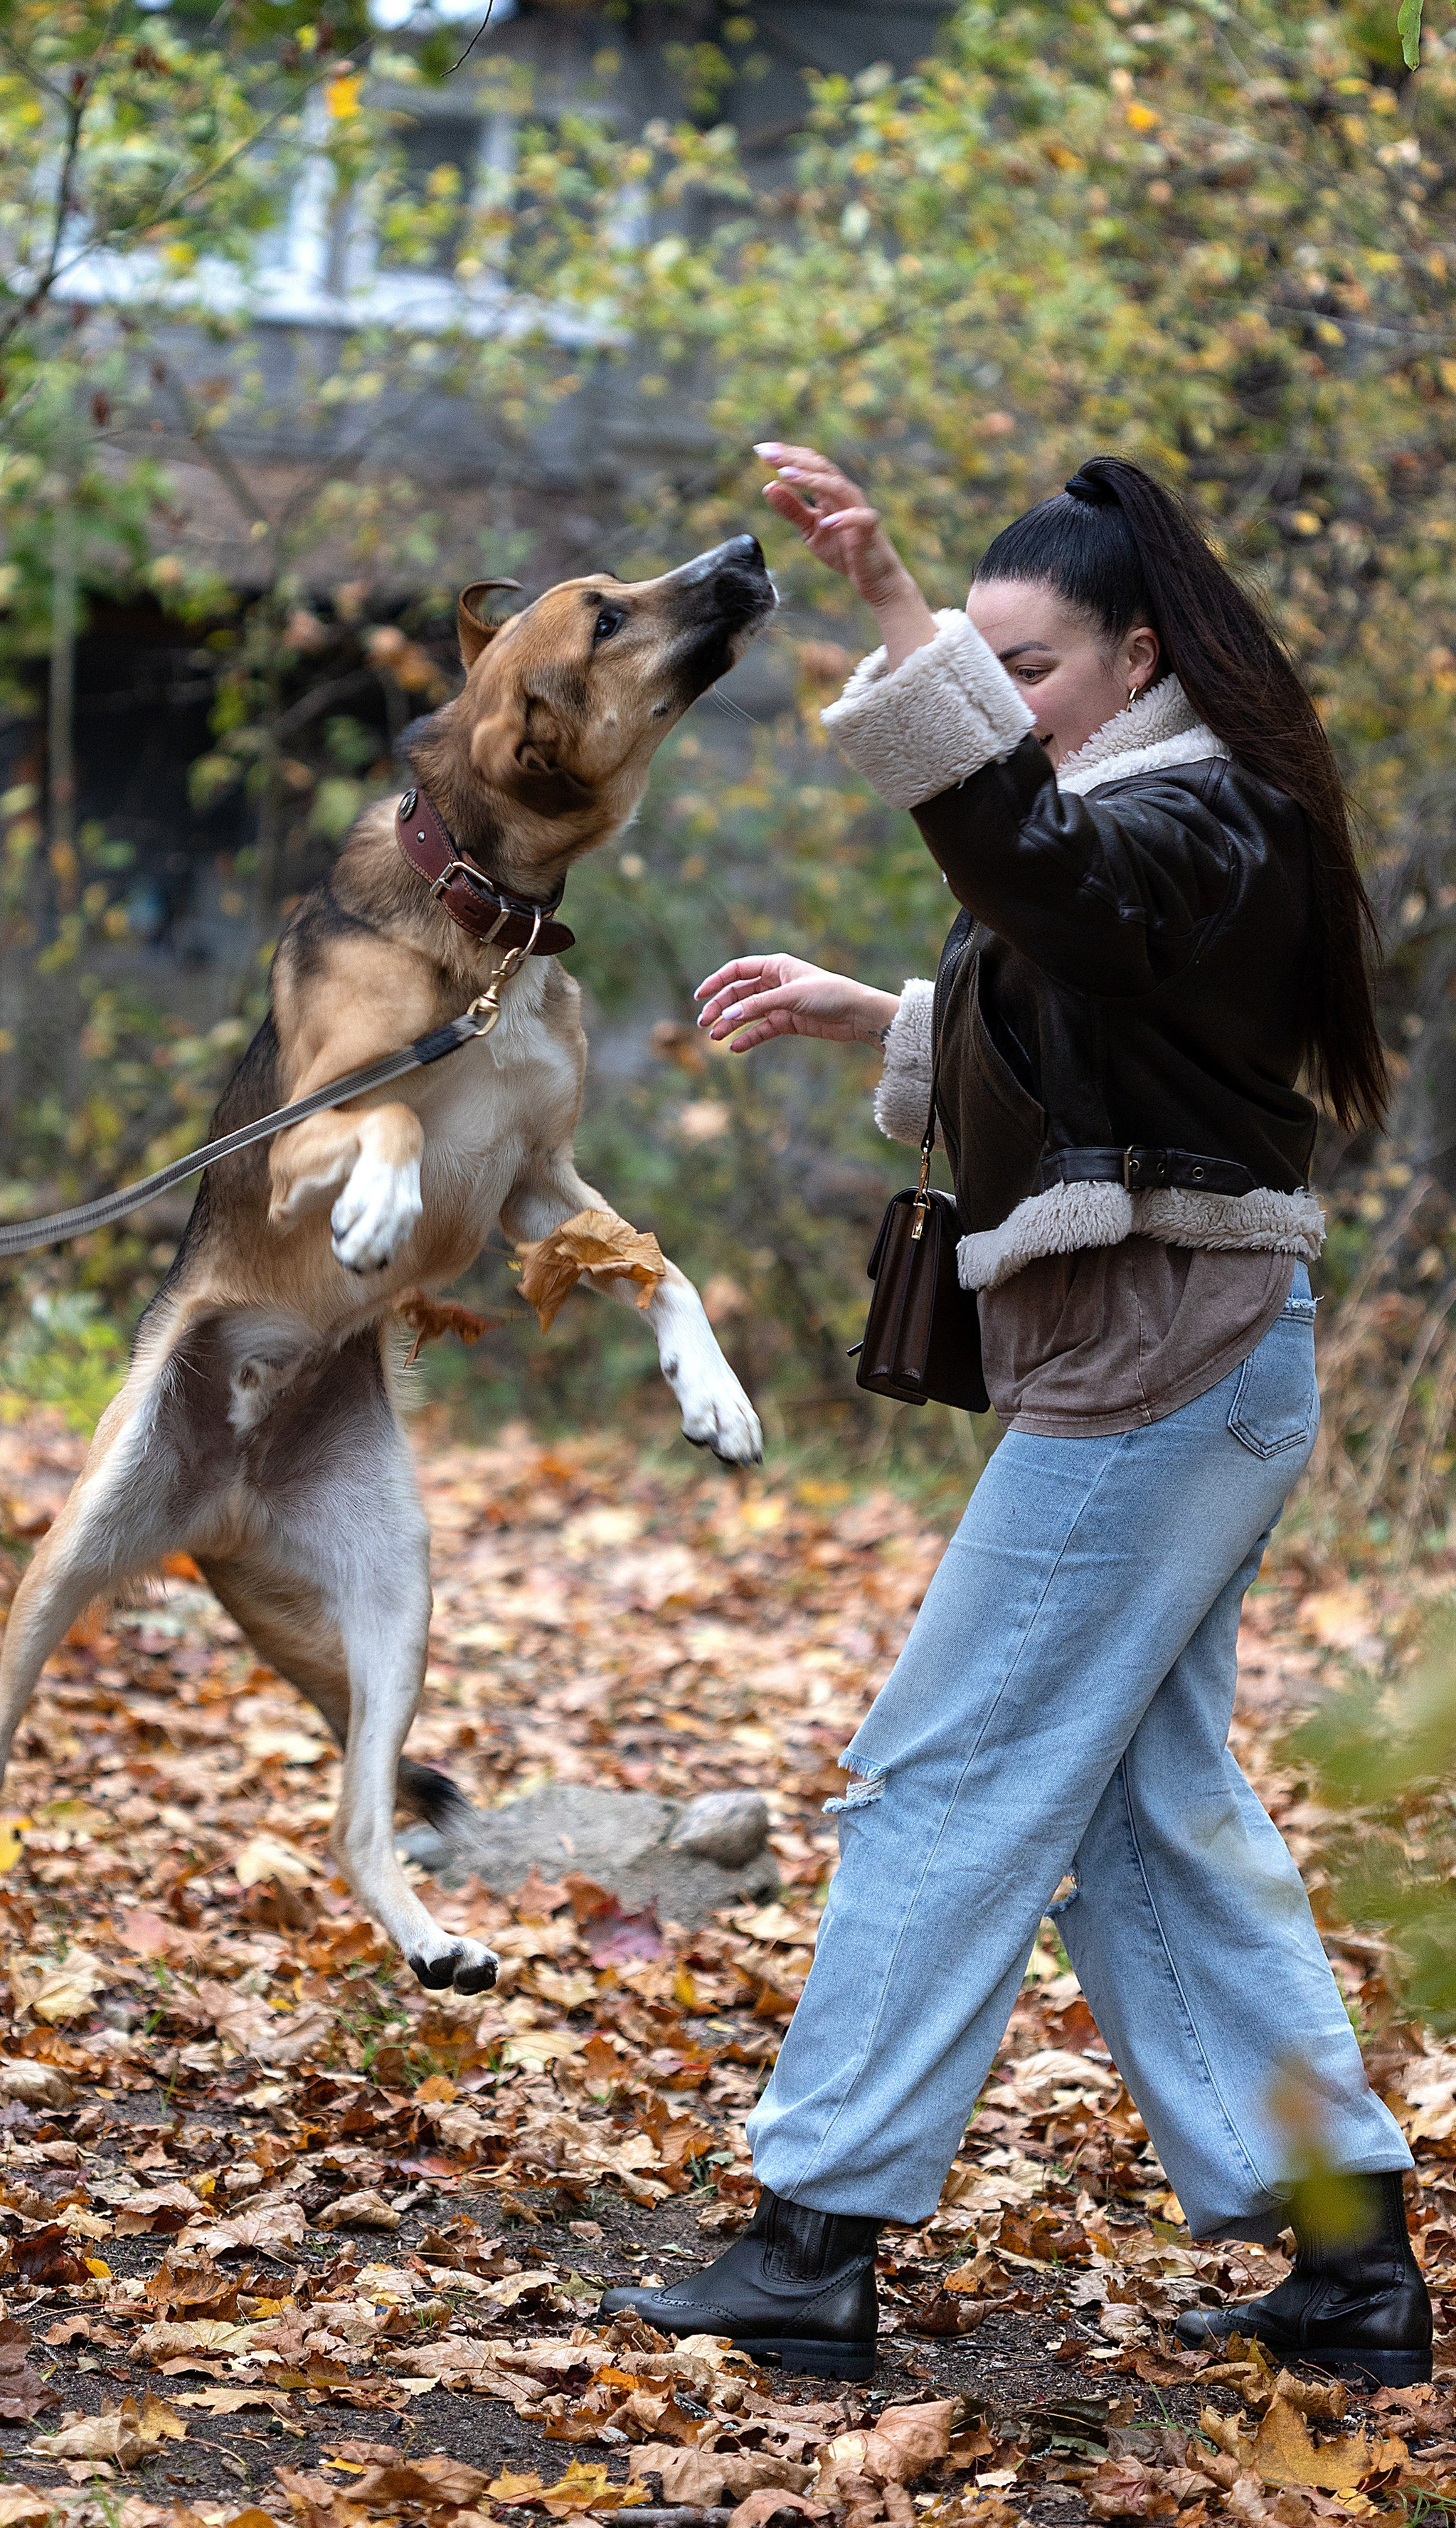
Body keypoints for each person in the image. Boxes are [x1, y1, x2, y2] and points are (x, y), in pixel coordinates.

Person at [600, 448, 1431, 2384]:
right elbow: (1100, 1023)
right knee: (1148, 1818)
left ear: (1141, 654)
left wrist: (891, 602)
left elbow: (1052, 887)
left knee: (945, 1779)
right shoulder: (1157, 813)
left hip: (1169, 1368)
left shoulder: (1212, 813)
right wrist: (879, 1017)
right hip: (1170, 1361)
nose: (1006, 692)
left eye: (1028, 662)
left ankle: (814, 2244)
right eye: (981, 658)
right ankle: (1345, 2265)